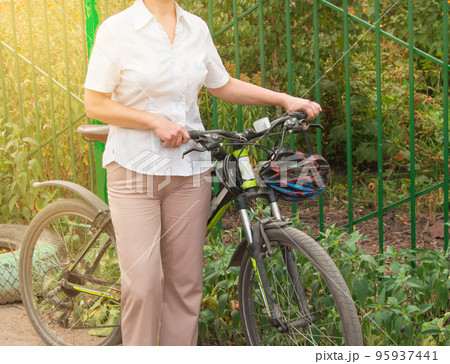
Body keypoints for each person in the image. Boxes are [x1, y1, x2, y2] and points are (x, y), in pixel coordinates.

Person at [84, 0, 321, 346]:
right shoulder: (117, 30)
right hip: (135, 170)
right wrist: (154, 121)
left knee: (185, 286)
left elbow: (221, 84)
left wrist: (283, 99)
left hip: (189, 169)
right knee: (144, 285)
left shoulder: (195, 28)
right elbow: (95, 103)